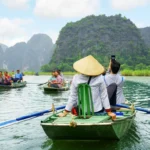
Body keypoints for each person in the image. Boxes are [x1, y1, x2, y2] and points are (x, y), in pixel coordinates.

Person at [58, 55, 116, 120]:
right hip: (97, 111)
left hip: (82, 111)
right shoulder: (100, 78)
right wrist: (109, 112)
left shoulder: (76, 78)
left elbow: (73, 96)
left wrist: (65, 112)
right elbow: (104, 96)